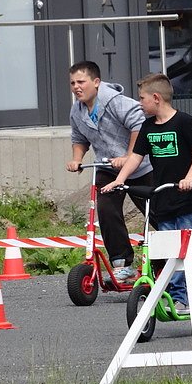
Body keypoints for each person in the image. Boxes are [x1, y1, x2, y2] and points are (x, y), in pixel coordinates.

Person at [102, 73, 192, 314]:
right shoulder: (148, 127)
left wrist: (189, 179)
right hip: (164, 200)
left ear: (156, 98)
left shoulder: (184, 122)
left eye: (141, 99)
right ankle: (175, 294)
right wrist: (119, 180)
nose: (139, 104)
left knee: (187, 252)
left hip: (188, 201)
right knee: (170, 252)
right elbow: (136, 157)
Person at [66, 61, 153, 282]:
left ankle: (170, 258)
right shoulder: (76, 110)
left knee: (157, 213)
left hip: (140, 166)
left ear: (96, 82)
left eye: (81, 82)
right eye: (73, 83)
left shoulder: (116, 102)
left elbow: (139, 125)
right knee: (105, 210)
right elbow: (79, 139)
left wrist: (128, 157)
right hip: (108, 166)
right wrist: (77, 159)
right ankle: (122, 263)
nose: (77, 87)